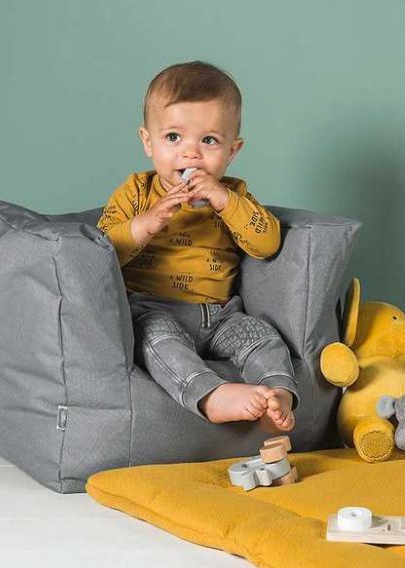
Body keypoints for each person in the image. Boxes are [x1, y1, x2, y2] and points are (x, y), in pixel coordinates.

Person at [97, 61, 299, 432]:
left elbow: (267, 242)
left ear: (232, 151)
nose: (191, 154)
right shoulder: (137, 192)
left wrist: (224, 201)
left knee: (263, 336)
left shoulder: (233, 194)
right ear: (148, 141)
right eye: (174, 137)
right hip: (153, 309)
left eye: (209, 141)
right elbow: (101, 252)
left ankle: (278, 393)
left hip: (220, 315)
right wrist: (148, 222)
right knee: (156, 340)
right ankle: (209, 395)